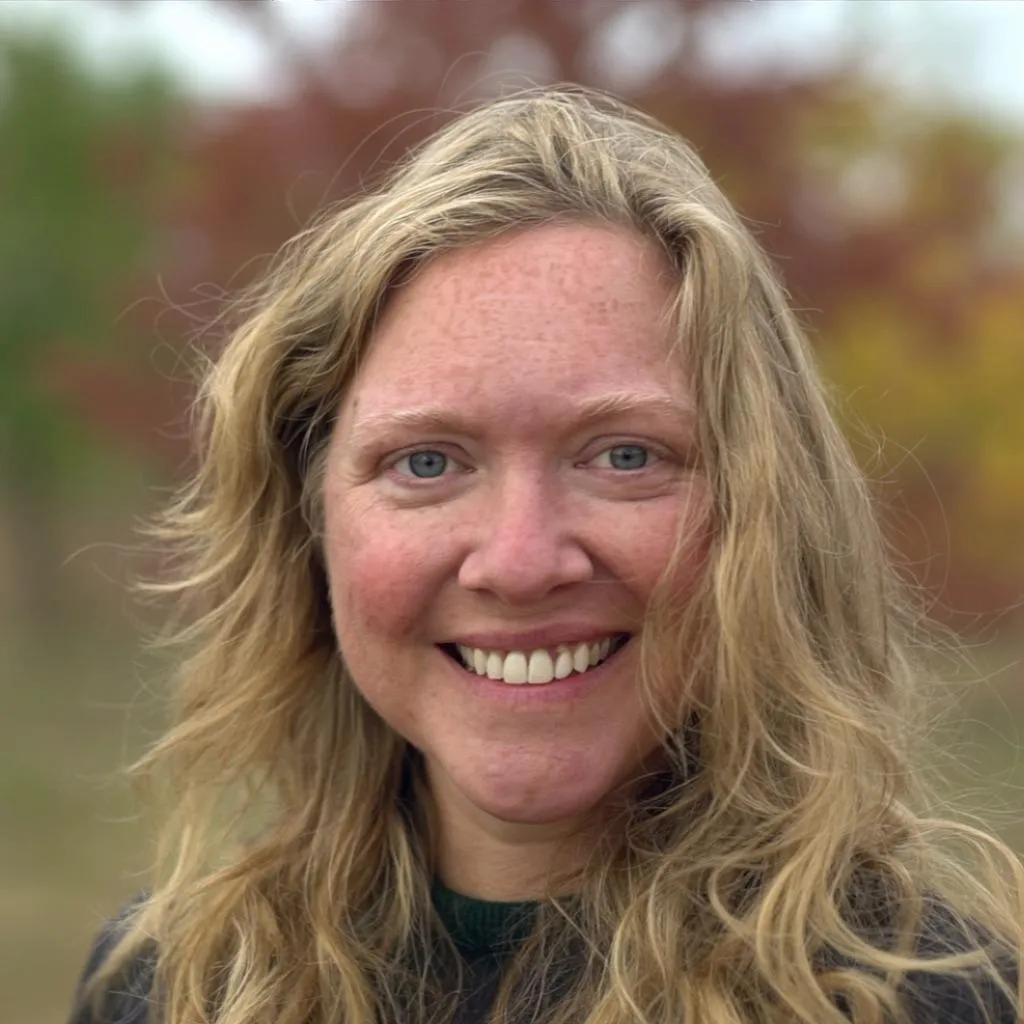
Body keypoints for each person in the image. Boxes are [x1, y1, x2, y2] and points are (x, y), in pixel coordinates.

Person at [69, 85, 1022, 1024]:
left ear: (765, 514)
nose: (520, 563)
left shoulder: (919, 1000)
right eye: (427, 461)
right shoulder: (166, 988)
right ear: (309, 522)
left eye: (624, 456)